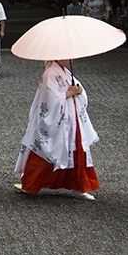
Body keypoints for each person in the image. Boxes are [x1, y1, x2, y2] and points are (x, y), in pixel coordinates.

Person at [14, 59, 99, 200]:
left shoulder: (64, 72)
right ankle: (30, 184)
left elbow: (76, 94)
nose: (70, 59)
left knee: (77, 152)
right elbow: (48, 100)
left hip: (70, 119)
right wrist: (68, 93)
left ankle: (79, 186)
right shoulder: (50, 74)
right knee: (45, 152)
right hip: (57, 121)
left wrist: (78, 91)